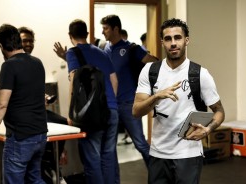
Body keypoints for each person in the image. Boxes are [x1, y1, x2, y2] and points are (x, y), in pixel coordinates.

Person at [132, 18, 225, 184]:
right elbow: (136, 111)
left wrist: (207, 130)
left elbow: (219, 111)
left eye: (178, 38)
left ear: (186, 40)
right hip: (158, 153)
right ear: (162, 42)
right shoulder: (150, 71)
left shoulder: (200, 74)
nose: (173, 43)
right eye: (168, 39)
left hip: (188, 153)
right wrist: (156, 96)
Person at [0, 24, 47, 183]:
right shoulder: (37, 63)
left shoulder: (9, 66)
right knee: (35, 179)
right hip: (40, 134)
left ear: (1, 45)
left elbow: (1, 104)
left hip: (20, 137)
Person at [64, 19, 119, 184]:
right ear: (87, 34)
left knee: (92, 157)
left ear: (70, 35)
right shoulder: (102, 52)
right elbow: (114, 80)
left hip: (91, 114)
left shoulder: (72, 52)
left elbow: (74, 80)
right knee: (108, 155)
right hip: (111, 110)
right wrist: (110, 102)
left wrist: (71, 112)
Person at [100, 14, 158, 167]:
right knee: (109, 148)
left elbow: (153, 61)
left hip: (128, 103)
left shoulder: (131, 48)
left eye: (105, 28)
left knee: (140, 143)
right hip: (111, 105)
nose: (103, 32)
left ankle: (159, 174)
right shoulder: (105, 49)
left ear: (115, 29)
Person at [18, 26, 67, 184]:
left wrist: (44, 96)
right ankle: (49, 167)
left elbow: (35, 89)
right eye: (25, 40)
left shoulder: (34, 64)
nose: (28, 44)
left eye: (31, 41)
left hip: (37, 111)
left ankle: (52, 166)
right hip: (24, 116)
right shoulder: (13, 64)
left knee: (65, 123)